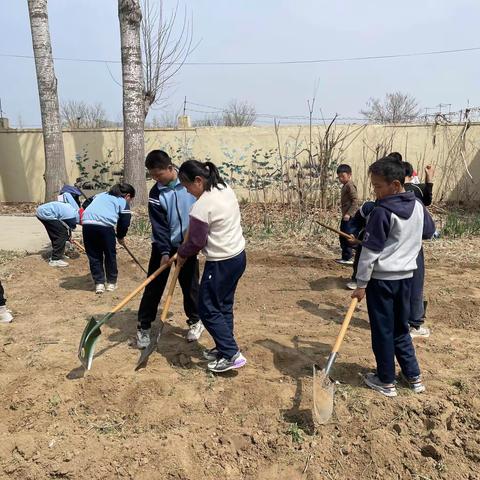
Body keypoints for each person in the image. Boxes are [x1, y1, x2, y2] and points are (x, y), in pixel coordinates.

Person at [351, 156, 435, 397]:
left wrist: (361, 283)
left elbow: (369, 252)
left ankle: (386, 380)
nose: (375, 191)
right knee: (401, 328)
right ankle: (413, 376)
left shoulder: (381, 212)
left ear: (396, 185)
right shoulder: (418, 206)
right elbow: (429, 232)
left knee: (383, 331)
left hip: (382, 282)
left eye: (378, 186)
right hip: (407, 279)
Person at [177, 159, 247, 373]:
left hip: (220, 263)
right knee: (222, 305)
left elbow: (196, 242)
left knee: (207, 309)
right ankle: (224, 348)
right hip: (238, 257)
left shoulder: (202, 206)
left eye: (188, 186)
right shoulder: (223, 187)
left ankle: (232, 355)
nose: (188, 192)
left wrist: (181, 253)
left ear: (198, 180)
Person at [136, 150, 202, 349]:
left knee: (190, 285)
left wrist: (191, 244)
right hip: (163, 245)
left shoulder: (189, 183)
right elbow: (159, 225)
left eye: (158, 174)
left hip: (188, 244)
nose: (156, 179)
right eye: (152, 176)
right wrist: (165, 251)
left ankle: (196, 321)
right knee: (154, 285)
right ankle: (144, 327)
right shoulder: (156, 193)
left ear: (170, 168)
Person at [391, 153, 435, 339]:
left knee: (397, 287)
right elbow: (428, 231)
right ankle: (415, 324)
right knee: (415, 286)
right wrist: (429, 177)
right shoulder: (416, 198)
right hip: (413, 250)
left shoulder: (383, 202)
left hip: (392, 253)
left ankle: (398, 321)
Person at [82, 183, 134, 294]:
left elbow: (85, 204)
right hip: (105, 227)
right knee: (110, 254)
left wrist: (97, 211)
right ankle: (111, 283)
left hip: (87, 225)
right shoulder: (122, 201)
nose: (129, 202)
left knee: (94, 255)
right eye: (131, 200)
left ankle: (99, 284)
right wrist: (121, 236)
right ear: (128, 196)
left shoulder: (100, 195)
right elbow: (124, 222)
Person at [36, 189, 81, 267]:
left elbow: (68, 227)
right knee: (61, 235)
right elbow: (70, 227)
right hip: (46, 213)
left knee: (57, 234)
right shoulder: (72, 217)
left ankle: (57, 255)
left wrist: (68, 236)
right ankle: (55, 260)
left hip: (43, 211)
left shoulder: (73, 212)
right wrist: (68, 237)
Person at [345, 201, 376, 290]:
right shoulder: (368, 207)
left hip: (386, 241)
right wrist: (353, 234)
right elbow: (356, 222)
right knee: (360, 258)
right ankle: (356, 279)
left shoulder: (397, 209)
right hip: (367, 236)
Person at [336, 164, 358, 265]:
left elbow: (355, 201)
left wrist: (349, 214)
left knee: (347, 237)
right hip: (345, 216)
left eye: (343, 176)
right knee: (342, 236)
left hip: (349, 217)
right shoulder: (345, 185)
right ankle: (345, 257)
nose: (341, 179)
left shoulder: (350, 185)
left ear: (349, 175)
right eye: (339, 177)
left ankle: (349, 257)